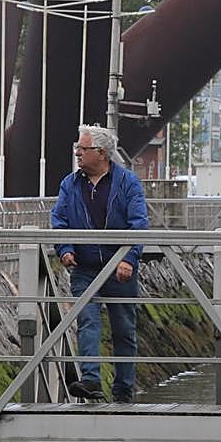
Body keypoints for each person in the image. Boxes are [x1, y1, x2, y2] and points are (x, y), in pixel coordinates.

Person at [51, 124, 149, 402]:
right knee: (87, 320)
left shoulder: (128, 182)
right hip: (85, 267)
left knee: (124, 329)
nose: (77, 153)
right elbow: (59, 220)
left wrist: (129, 258)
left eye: (83, 149)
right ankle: (91, 380)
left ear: (102, 153)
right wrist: (65, 249)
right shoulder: (70, 184)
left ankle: (123, 391)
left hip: (120, 268)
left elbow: (139, 224)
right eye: (78, 148)